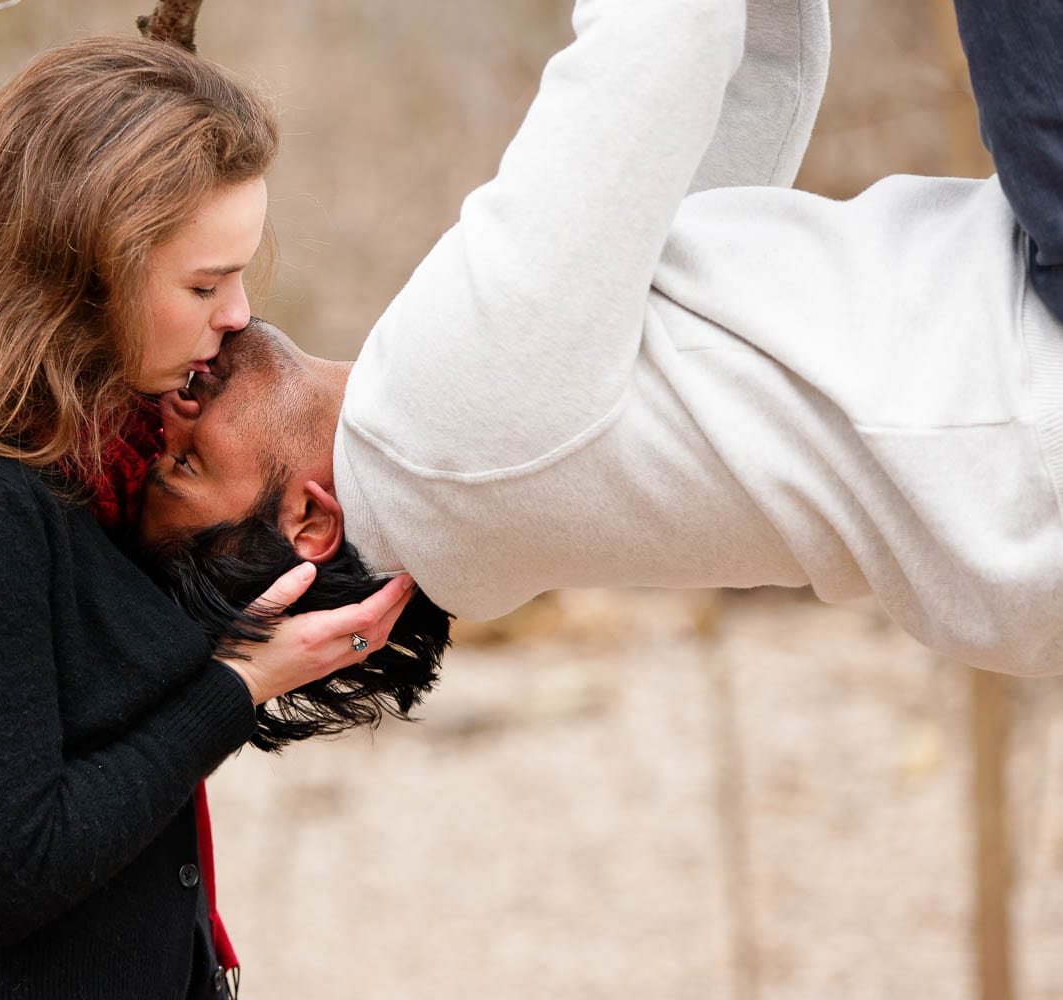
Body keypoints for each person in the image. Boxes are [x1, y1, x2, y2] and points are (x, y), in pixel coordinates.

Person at [137, 0, 1063, 678]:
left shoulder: (467, 490)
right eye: (184, 466)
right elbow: (665, 37)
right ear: (310, 522)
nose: (169, 418)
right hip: (1021, 374)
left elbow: (737, 85)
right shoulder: (435, 423)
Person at [0, 37, 422, 1000]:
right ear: (86, 272)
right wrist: (240, 684)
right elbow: (11, 873)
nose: (239, 314)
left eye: (239, 275)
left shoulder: (105, 464)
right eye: (204, 286)